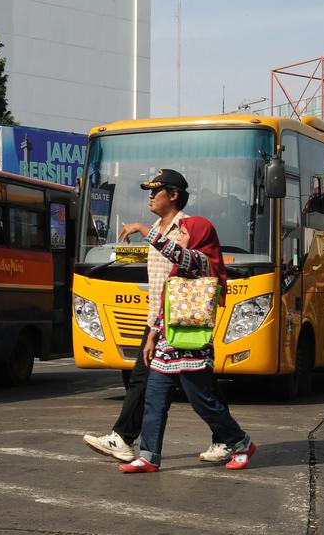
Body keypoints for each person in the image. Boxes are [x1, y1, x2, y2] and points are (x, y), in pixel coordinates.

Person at [83, 169, 224, 464]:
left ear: (173, 195)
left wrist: (145, 231)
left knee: (196, 388)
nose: (149, 196)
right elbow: (156, 278)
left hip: (184, 320)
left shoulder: (187, 228)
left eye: (155, 191)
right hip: (160, 320)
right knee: (148, 383)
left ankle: (229, 439)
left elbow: (189, 263)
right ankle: (128, 441)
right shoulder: (156, 228)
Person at [120, 216, 256, 472]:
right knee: (154, 400)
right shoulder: (178, 271)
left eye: (183, 233)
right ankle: (149, 456)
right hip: (166, 347)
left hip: (193, 350)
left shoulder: (203, 262)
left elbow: (174, 252)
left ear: (199, 237)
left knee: (203, 402)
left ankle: (241, 442)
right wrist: (152, 336)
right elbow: (166, 307)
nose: (178, 238)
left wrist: (141, 229)